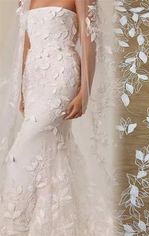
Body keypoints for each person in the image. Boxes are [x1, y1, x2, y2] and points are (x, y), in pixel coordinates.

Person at [0, 0, 115, 235]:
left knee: (20, 153)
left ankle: (15, 226)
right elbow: (26, 44)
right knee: (50, 149)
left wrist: (85, 90)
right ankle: (51, 224)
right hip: (34, 79)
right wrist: (22, 87)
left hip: (61, 75)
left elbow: (89, 39)